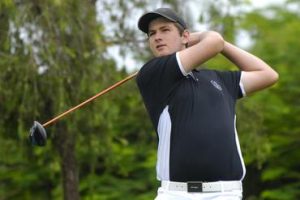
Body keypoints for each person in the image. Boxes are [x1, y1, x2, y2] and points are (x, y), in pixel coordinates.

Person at [136, 7, 278, 200]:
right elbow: (214, 42)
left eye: (165, 30)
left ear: (186, 36)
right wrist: (201, 38)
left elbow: (268, 75)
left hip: (226, 193)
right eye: (152, 34)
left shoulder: (219, 79)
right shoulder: (154, 73)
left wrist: (218, 43)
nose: (157, 37)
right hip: (176, 194)